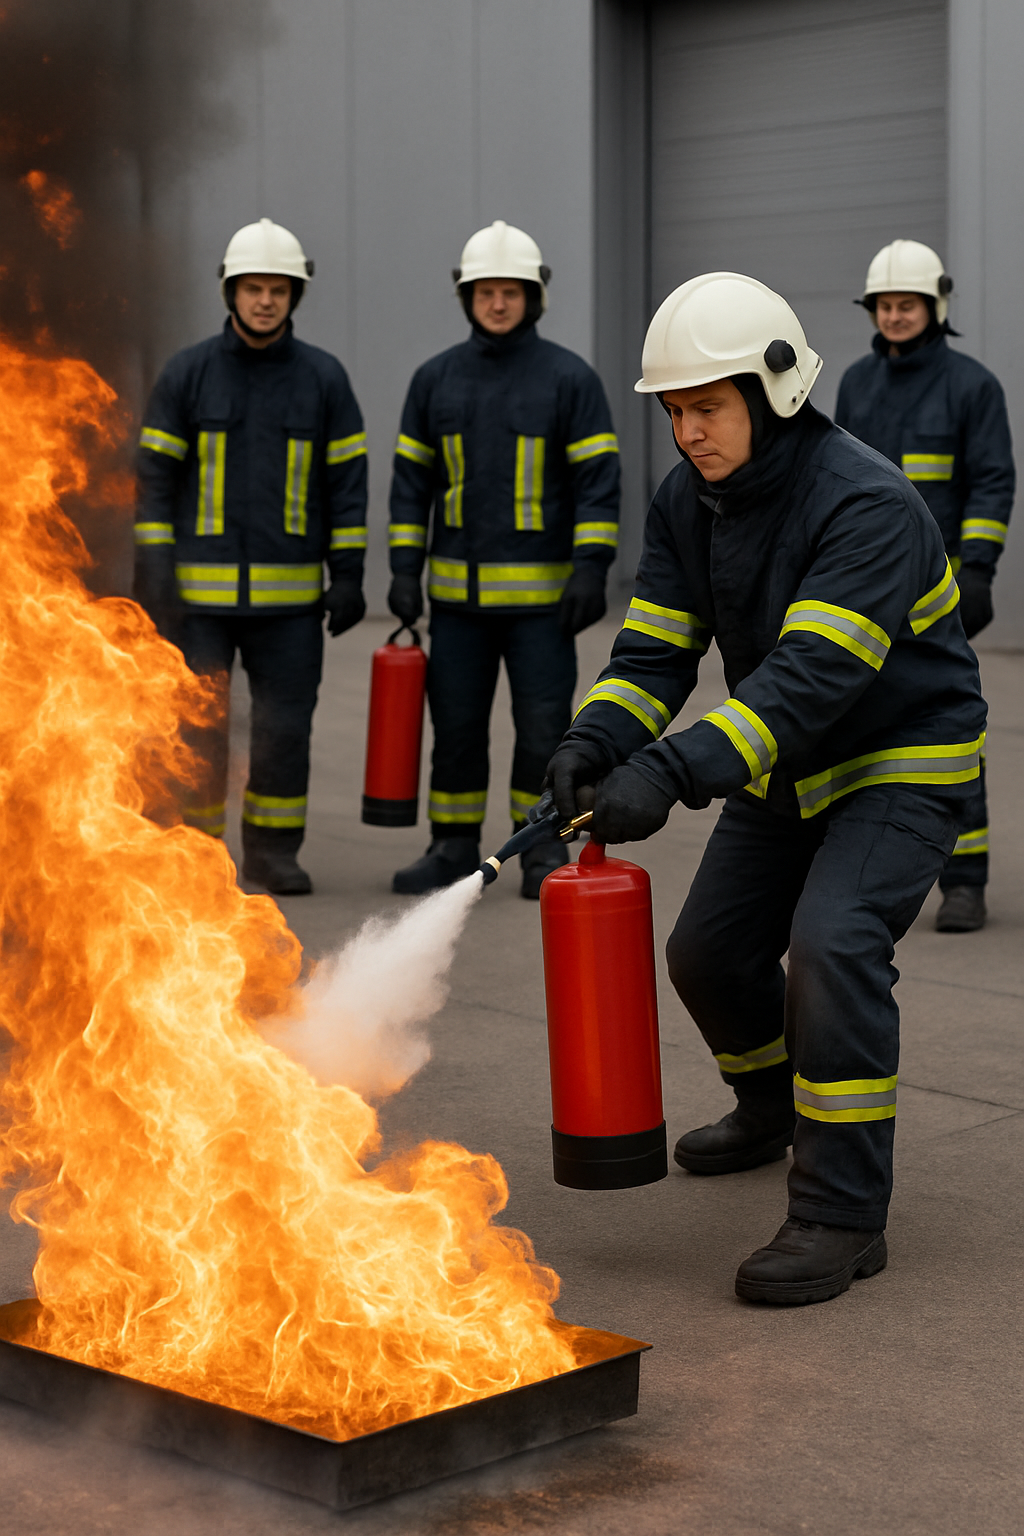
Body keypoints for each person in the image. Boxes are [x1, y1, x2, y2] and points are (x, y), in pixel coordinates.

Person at [542, 272, 986, 1306]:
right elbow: (654, 651)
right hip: (790, 760)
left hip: (899, 759)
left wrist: (669, 771)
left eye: (707, 408)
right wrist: (594, 740)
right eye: (674, 412)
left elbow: (807, 680)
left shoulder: (866, 502)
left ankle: (841, 1213)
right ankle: (771, 1106)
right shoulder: (688, 501)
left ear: (776, 390)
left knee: (831, 945)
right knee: (706, 951)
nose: (687, 432)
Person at [386, 220, 621, 900]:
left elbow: (597, 484)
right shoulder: (434, 381)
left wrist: (592, 566)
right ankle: (452, 846)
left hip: (542, 609)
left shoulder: (569, 379)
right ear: (467, 297)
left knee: (544, 731)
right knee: (456, 729)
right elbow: (411, 487)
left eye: (510, 291)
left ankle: (541, 847)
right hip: (457, 607)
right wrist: (403, 569)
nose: (497, 303)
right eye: (485, 291)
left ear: (533, 297)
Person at [133, 218, 368, 896]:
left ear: (295, 295)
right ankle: (198, 856)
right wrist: (155, 569)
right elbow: (154, 481)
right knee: (198, 734)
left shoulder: (323, 379)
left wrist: (348, 574)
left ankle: (271, 855)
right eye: (253, 288)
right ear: (230, 292)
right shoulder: (188, 374)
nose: (265, 301)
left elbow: (346, 486)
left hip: (290, 608)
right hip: (198, 605)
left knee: (283, 734)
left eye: (278, 289)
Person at [835, 240, 1014, 933]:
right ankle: (870, 873)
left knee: (949, 730)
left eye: (907, 303)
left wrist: (980, 568)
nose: (895, 315)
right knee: (862, 728)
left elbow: (992, 481)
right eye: (884, 305)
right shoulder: (856, 383)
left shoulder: (973, 386)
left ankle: (964, 881)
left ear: (935, 306)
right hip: (867, 592)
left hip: (942, 598)